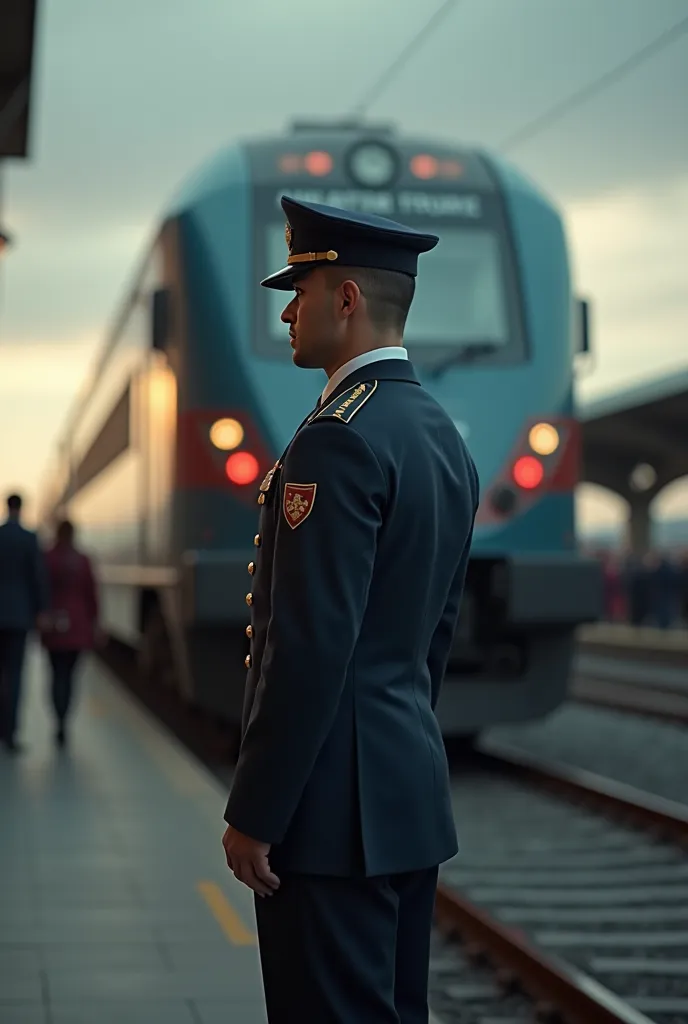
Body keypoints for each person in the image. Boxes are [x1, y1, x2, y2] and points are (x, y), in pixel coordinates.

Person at [221, 196, 479, 1023]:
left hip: (329, 819)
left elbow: (306, 649)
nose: (289, 310)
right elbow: (433, 633)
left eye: (301, 288)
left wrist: (256, 813)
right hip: (402, 798)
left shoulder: (337, 437)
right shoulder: (438, 432)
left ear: (347, 300)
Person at [40, 518, 101, 748]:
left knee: (56, 675)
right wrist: (96, 624)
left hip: (54, 627)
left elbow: (41, 589)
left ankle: (58, 719)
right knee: (70, 677)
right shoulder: (83, 561)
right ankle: (65, 720)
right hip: (78, 627)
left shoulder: (47, 559)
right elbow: (92, 595)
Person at [0, 493, 49, 752]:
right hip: (19, 616)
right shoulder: (29, 538)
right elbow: (37, 577)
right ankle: (11, 734)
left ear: (6, 507)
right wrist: (41, 611)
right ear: (21, 508)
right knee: (15, 675)